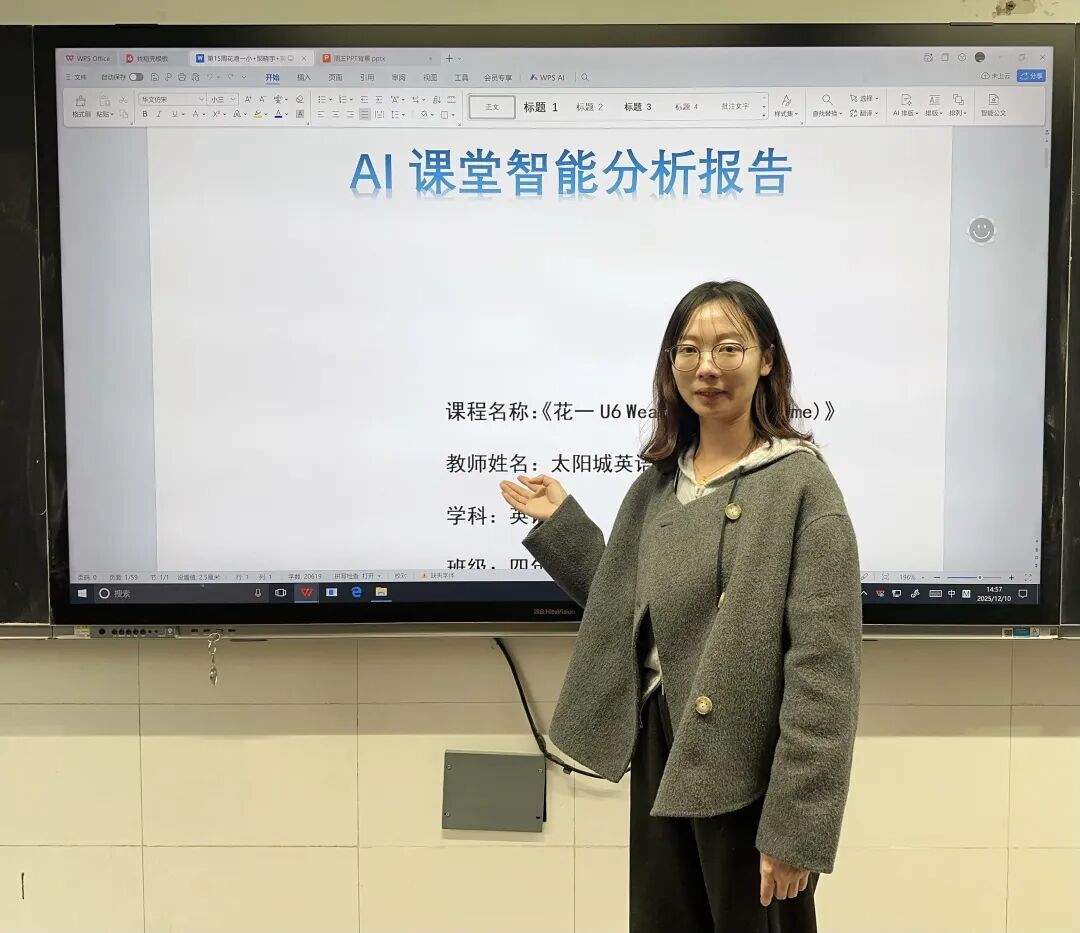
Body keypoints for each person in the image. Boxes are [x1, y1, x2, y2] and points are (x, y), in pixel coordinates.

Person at [499, 281, 862, 933]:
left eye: (729, 348)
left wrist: (796, 828)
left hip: (750, 762)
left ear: (767, 359)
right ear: (671, 365)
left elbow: (825, 673)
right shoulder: (658, 486)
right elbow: (630, 609)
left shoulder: (801, 484)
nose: (707, 367)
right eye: (688, 350)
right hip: (663, 740)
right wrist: (564, 527)